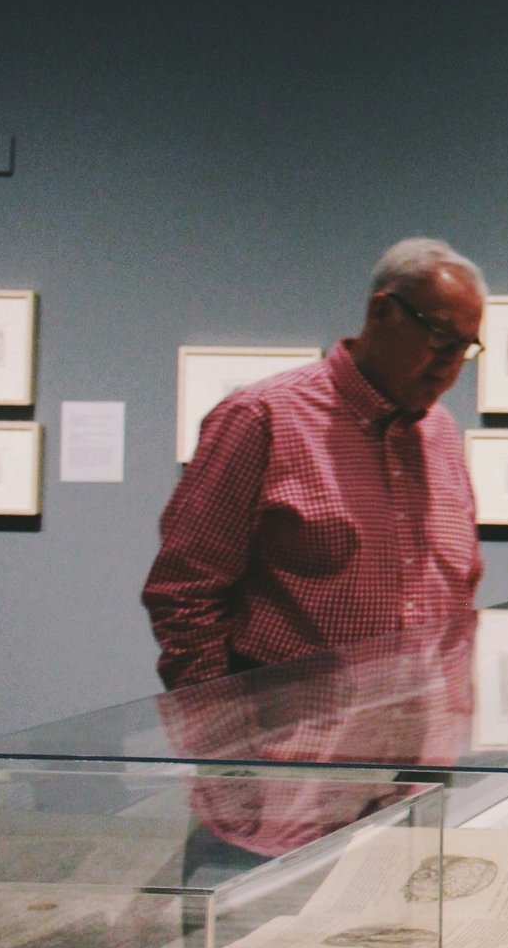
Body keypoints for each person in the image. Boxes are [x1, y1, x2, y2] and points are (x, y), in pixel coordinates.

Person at [143, 238, 487, 690]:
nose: (449, 364)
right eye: (440, 336)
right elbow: (185, 592)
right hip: (294, 730)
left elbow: (459, 583)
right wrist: (218, 723)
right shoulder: (262, 418)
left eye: (464, 347)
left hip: (424, 725)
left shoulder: (440, 431)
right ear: (381, 312)